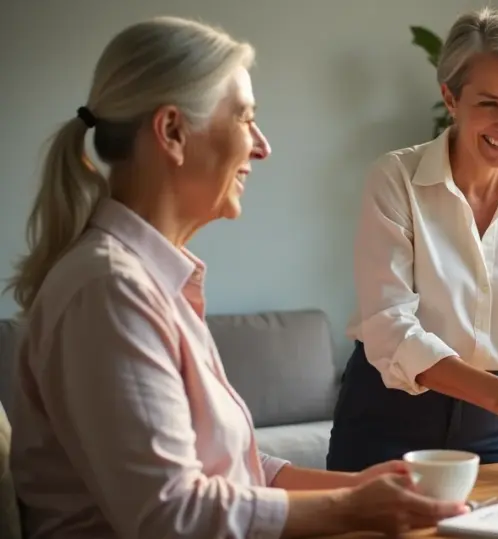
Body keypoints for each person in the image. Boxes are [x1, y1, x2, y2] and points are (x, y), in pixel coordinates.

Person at [5, 16, 465, 539]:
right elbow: (172, 515)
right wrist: (354, 510)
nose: (262, 146)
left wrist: (354, 489)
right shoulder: (108, 291)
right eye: (245, 119)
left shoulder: (146, 283)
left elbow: (225, 465)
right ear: (173, 132)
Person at [326, 7, 498, 473]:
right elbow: (391, 328)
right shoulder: (396, 179)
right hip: (387, 418)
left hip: (492, 426)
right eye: (489, 103)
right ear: (450, 97)